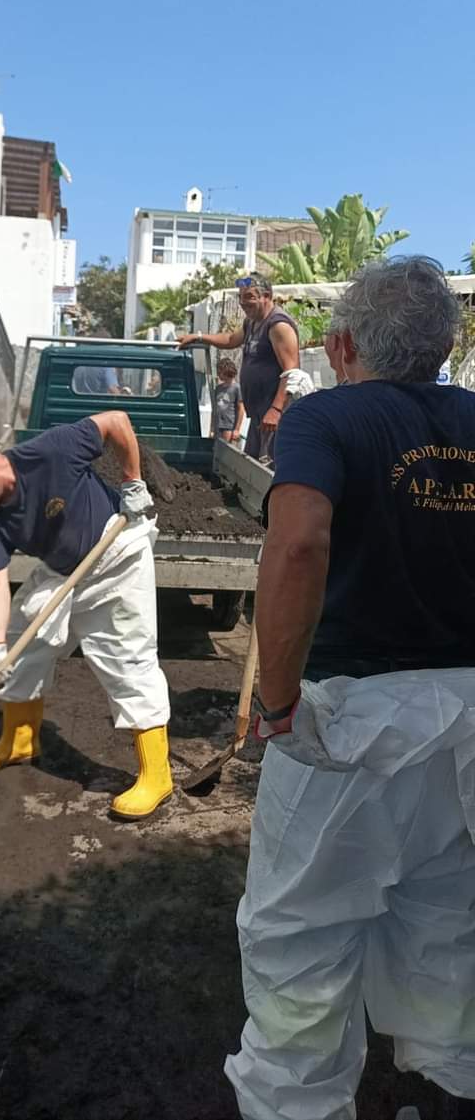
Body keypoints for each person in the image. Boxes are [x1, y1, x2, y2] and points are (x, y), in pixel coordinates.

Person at [225, 257, 475, 1120]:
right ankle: (444, 1082)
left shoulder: (328, 417)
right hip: (470, 719)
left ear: (340, 344)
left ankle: (298, 1104)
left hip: (352, 715)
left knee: (301, 929)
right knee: (443, 911)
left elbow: (297, 544)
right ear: (446, 343)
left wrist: (276, 704)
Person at [0, 411, 172, 820]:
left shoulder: (50, 451)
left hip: (116, 555)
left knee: (127, 660)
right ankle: (19, 740)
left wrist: (133, 482)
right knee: (19, 637)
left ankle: (157, 775)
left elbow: (117, 421)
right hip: (64, 569)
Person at [179, 274, 299, 462]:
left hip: (274, 418)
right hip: (259, 417)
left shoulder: (278, 325)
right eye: (241, 297)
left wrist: (276, 410)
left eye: (250, 297)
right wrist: (199, 337)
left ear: (266, 296)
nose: (243, 303)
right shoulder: (251, 322)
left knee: (269, 470)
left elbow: (292, 372)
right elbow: (230, 340)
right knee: (251, 468)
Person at [214, 358, 245, 443]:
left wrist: (237, 429)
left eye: (219, 372)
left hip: (229, 426)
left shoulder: (236, 388)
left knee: (225, 451)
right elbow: (215, 409)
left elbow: (241, 409)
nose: (218, 374)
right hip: (218, 425)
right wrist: (212, 428)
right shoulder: (218, 388)